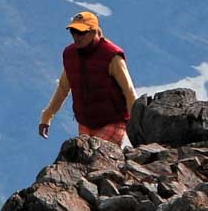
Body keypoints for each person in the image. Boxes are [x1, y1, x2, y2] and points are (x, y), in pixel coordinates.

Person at [37, 11, 137, 147]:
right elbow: (63, 88)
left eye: (81, 32)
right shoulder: (70, 55)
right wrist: (47, 116)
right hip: (85, 122)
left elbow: (129, 91)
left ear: (94, 32)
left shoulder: (111, 56)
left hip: (113, 121)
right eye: (73, 31)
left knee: (96, 157)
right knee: (86, 164)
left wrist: (136, 125)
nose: (76, 36)